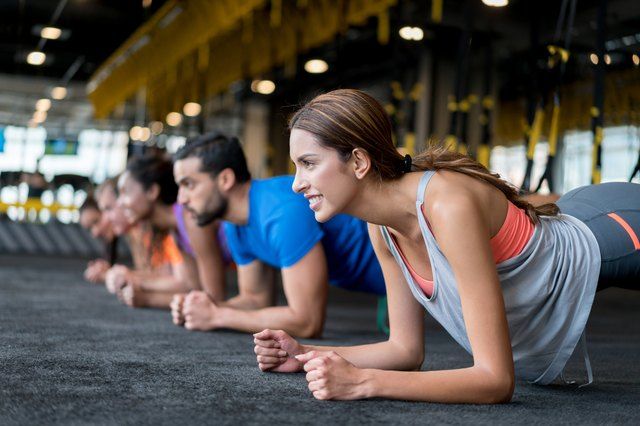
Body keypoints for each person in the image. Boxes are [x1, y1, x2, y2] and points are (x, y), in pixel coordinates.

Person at [253, 89, 640, 403]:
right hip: (577, 214)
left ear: (358, 161)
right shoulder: (381, 227)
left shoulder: (446, 207)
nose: (296, 183)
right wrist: (304, 354)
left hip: (616, 227)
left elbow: (494, 381)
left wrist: (363, 383)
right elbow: (404, 351)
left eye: (308, 163)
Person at [171, 132, 385, 338]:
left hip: (413, 270)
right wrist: (202, 308)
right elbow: (255, 299)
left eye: (189, 184)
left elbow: (308, 322)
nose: (181, 199)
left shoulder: (280, 212)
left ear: (225, 179)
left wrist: (217, 316)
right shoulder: (235, 225)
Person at [115, 154, 229, 309]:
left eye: (125, 192)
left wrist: (148, 298)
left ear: (152, 191)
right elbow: (193, 286)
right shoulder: (175, 227)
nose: (120, 202)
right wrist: (143, 294)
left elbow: (214, 299)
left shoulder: (190, 217)